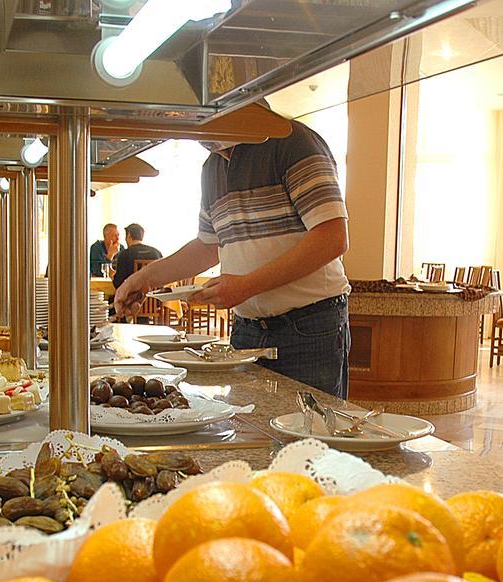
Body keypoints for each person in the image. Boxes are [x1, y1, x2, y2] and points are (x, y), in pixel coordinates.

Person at [114, 122, 350, 398]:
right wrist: (143, 279)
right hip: (247, 329)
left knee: (308, 438)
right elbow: (207, 246)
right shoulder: (211, 168)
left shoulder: (290, 140)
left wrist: (246, 286)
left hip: (309, 327)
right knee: (250, 433)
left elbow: (332, 237)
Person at [112, 223, 164, 288]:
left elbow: (118, 284)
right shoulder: (157, 253)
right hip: (155, 296)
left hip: (132, 297)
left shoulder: (125, 254)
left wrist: (112, 275)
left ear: (129, 235)